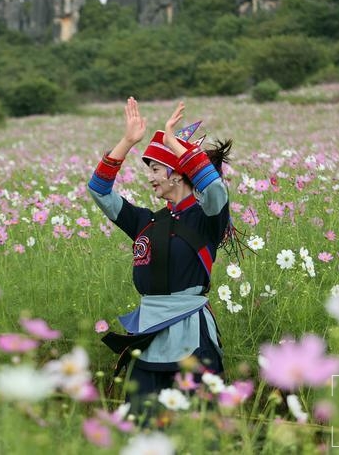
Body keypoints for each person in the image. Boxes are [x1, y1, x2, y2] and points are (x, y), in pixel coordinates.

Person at [87, 97, 233, 406]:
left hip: (190, 336)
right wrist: (127, 141)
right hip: (147, 335)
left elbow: (215, 189)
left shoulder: (207, 218)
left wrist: (173, 142)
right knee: (141, 421)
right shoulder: (144, 220)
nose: (150, 177)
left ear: (177, 174)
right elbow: (99, 190)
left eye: (155, 169)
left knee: (197, 426)